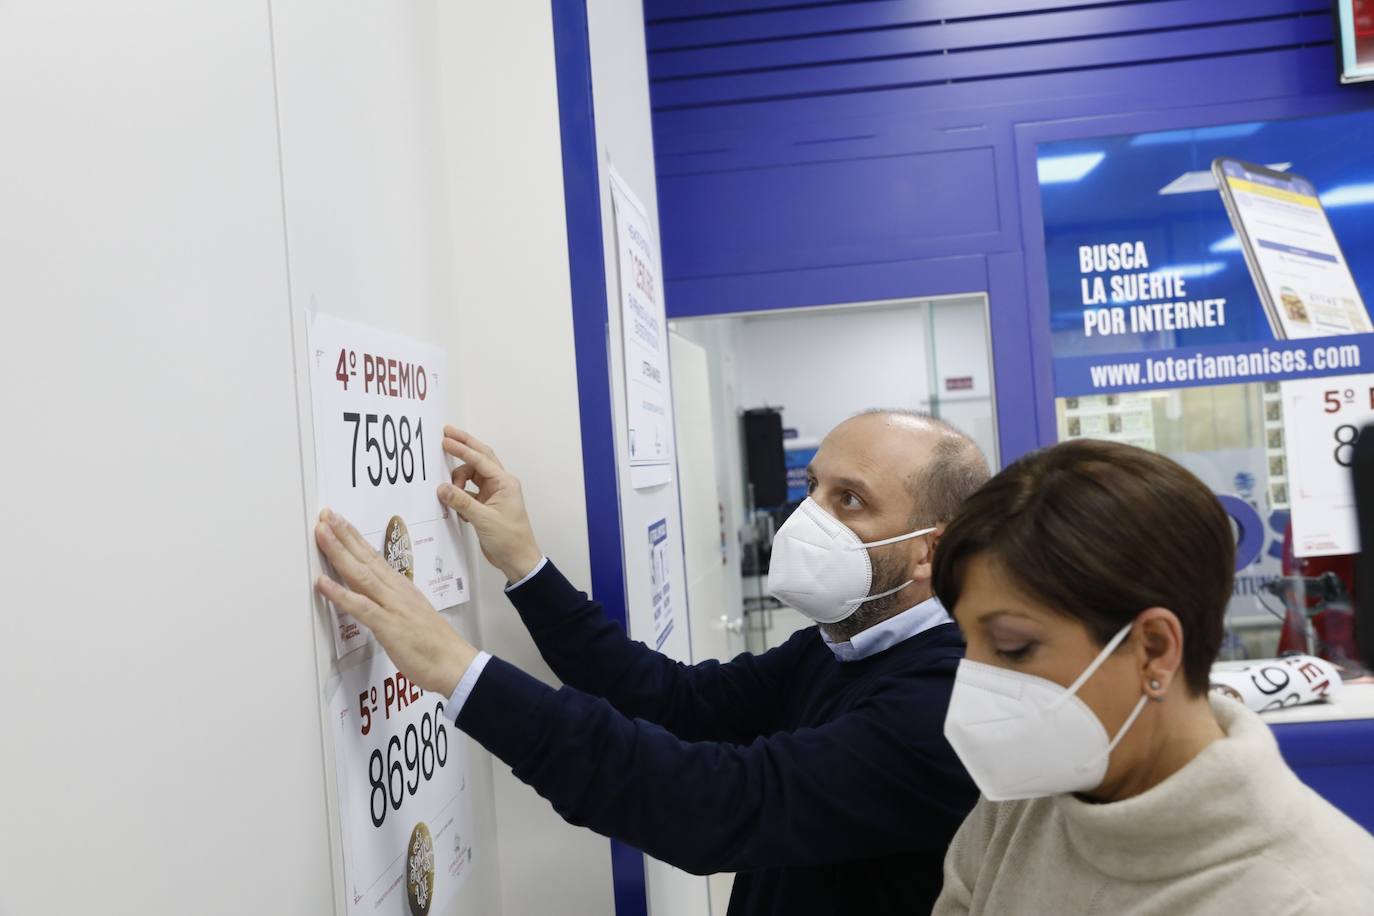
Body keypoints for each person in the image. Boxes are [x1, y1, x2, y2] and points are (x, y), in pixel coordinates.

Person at [314, 410, 988, 915]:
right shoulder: (843, 643)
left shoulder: (944, 705)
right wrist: (526, 565)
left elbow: (718, 806)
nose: (806, 518)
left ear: (933, 551)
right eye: (812, 487)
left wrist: (458, 669)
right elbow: (674, 701)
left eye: (850, 501)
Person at [928, 439, 1374, 915]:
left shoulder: (1313, 897)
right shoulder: (1021, 805)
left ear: (1155, 649)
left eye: (1014, 647)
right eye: (967, 641)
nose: (976, 681)